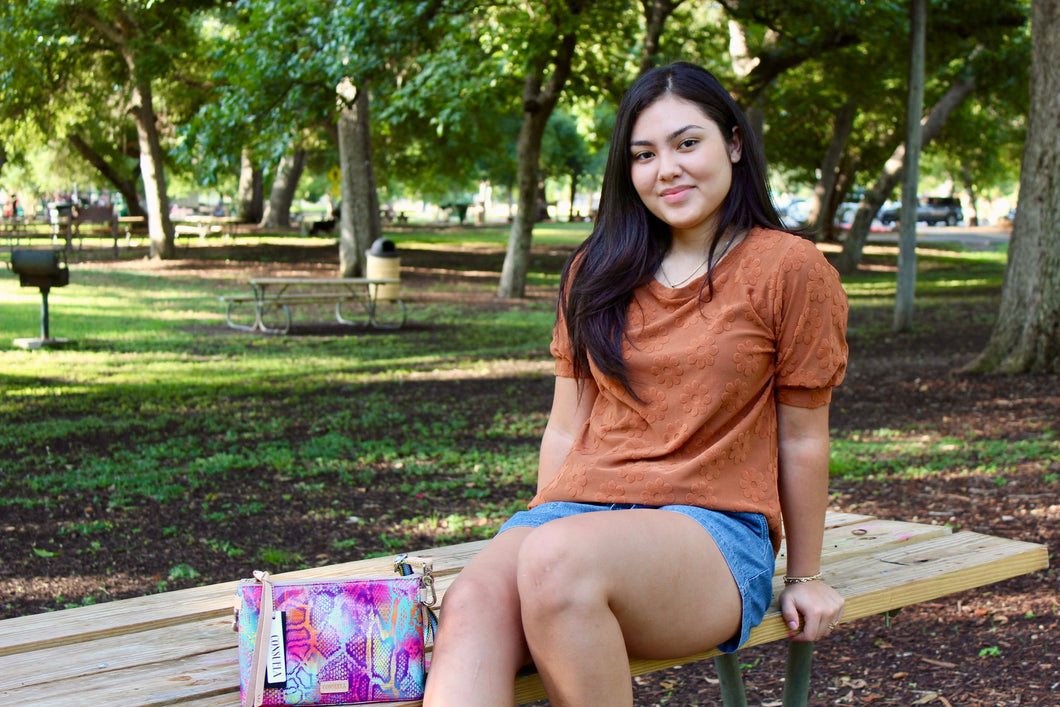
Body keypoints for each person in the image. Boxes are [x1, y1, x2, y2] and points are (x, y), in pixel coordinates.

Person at [422, 61, 849, 707]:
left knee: (558, 560)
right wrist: (534, 537)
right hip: (575, 515)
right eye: (644, 154)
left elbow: (803, 438)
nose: (666, 169)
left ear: (733, 143)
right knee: (474, 597)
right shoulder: (595, 269)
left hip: (712, 526)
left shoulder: (788, 267)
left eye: (687, 143)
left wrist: (807, 574)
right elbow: (567, 425)